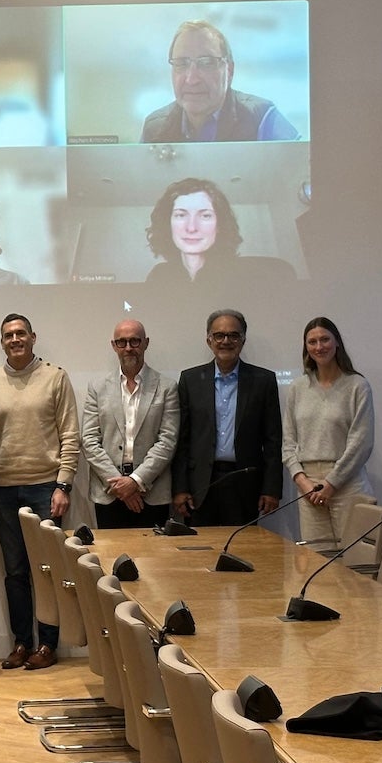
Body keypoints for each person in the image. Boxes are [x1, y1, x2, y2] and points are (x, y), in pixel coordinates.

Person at [0, 313, 78, 671]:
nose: (15, 339)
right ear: (2, 341)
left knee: (47, 571)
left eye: (21, 333)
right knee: (15, 572)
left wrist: (63, 484)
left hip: (45, 488)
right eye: (8, 335)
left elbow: (70, 434)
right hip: (4, 489)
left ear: (33, 337)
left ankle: (48, 645)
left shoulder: (55, 377)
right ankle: (22, 642)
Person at [171, 309, 282, 527]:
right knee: (200, 552)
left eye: (233, 335)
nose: (226, 341)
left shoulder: (263, 380)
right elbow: (182, 440)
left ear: (243, 340)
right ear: (209, 340)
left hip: (245, 482)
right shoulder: (190, 380)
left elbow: (272, 440)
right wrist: (180, 488)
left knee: (242, 553)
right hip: (200, 485)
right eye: (219, 335)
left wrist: (271, 489)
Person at [281, 317, 376, 542]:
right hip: (308, 486)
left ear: (337, 343)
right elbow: (288, 442)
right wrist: (302, 482)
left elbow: (361, 442)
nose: (319, 346)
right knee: (317, 563)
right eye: (312, 342)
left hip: (348, 483)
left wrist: (331, 483)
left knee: (355, 563)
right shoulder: (297, 388)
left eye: (325, 339)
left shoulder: (357, 386)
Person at [81, 319, 179, 530]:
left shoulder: (166, 387)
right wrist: (119, 484)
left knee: (153, 561)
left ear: (146, 343)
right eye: (122, 342)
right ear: (113, 345)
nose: (128, 348)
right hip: (109, 492)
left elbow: (167, 441)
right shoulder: (97, 388)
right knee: (112, 560)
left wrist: (135, 481)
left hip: (151, 493)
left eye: (134, 341)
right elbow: (89, 440)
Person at [140, 20, 299, 144]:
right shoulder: (154, 128)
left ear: (229, 71)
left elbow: (307, 172)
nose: (192, 79)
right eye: (181, 63)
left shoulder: (262, 117)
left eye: (207, 62)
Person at [144, 178, 294, 285]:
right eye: (181, 215)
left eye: (205, 216)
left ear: (219, 225)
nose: (191, 227)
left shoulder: (249, 276)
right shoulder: (158, 275)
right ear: (167, 224)